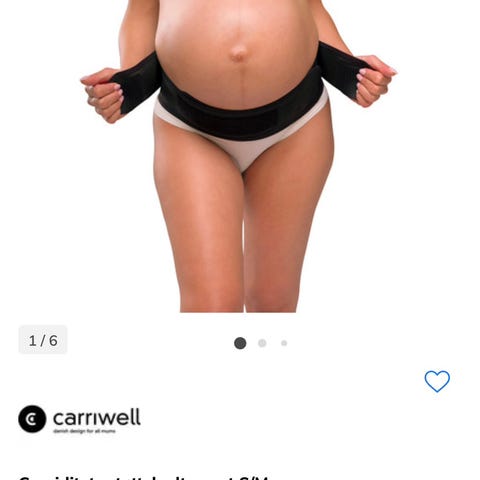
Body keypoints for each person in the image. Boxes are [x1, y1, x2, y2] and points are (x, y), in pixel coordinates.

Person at [81, 0, 396, 313]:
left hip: (296, 129)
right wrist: (126, 84)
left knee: (273, 306)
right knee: (211, 309)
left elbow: (311, 8)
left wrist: (352, 72)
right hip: (191, 130)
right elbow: (142, 12)